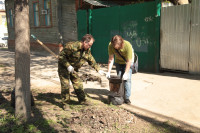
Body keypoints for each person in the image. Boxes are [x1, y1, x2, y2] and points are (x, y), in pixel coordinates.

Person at [58, 34, 104, 110]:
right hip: (64, 67)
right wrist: (68, 66)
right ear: (85, 42)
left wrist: (98, 69)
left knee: (78, 83)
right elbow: (61, 57)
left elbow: (91, 60)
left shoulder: (86, 50)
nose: (90, 47)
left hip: (74, 69)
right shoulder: (71, 46)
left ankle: (82, 100)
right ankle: (65, 103)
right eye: (89, 45)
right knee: (65, 85)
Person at [106, 35, 134, 105]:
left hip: (128, 61)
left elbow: (128, 61)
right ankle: (120, 95)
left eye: (117, 47)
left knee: (127, 79)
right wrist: (108, 71)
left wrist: (126, 73)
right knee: (119, 78)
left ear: (121, 44)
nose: (116, 48)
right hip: (118, 62)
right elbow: (111, 59)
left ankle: (127, 98)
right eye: (115, 47)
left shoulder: (127, 46)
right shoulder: (110, 45)